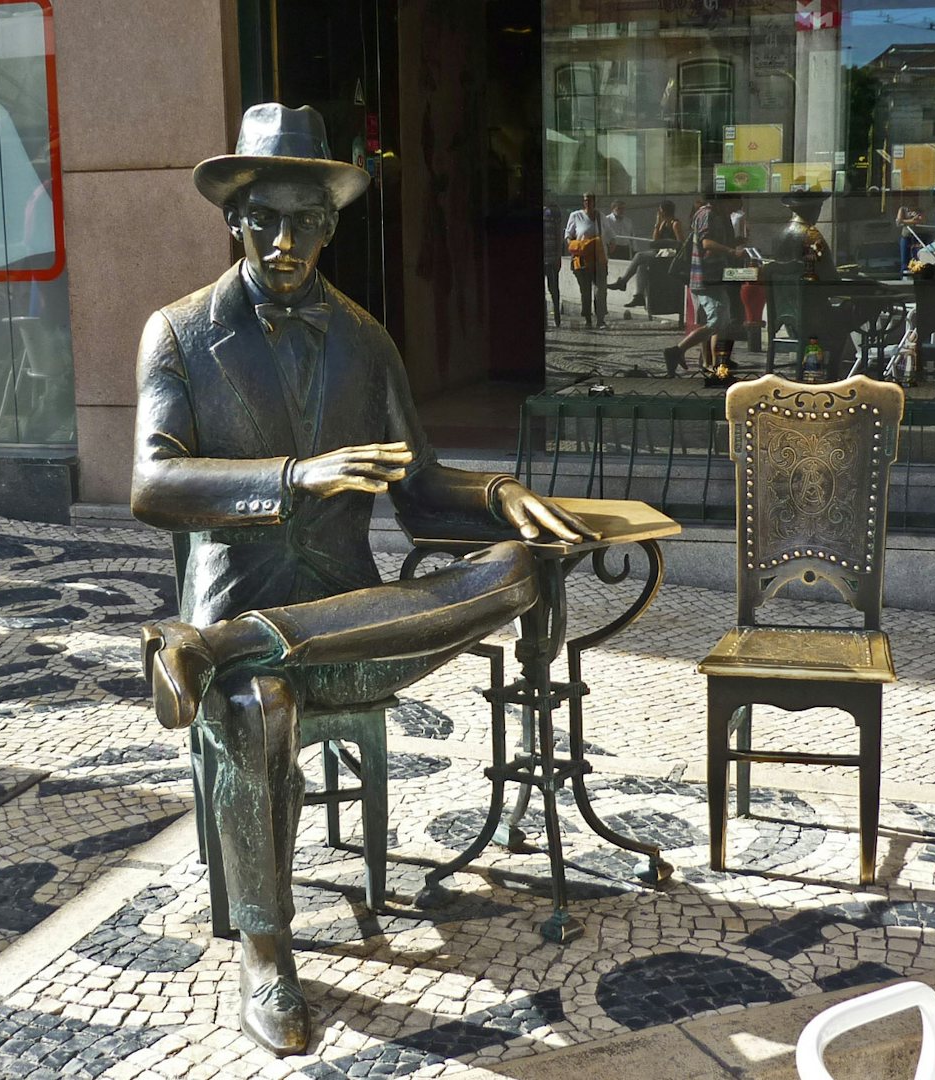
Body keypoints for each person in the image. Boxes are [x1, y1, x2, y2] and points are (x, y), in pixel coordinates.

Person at [131, 103, 590, 1057]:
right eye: (266, 219)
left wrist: (499, 492)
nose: (286, 240)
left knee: (523, 567)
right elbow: (151, 483)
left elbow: (419, 494)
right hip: (248, 608)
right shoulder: (175, 334)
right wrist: (300, 476)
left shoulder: (364, 339)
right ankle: (269, 955)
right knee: (259, 705)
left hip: (355, 622)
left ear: (332, 226)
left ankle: (206, 650)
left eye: (306, 220)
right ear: (235, 219)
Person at [663, 192, 744, 376]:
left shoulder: (717, 215)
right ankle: (677, 351)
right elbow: (706, 243)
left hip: (716, 275)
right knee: (717, 321)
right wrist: (732, 251)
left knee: (721, 321)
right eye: (734, 204)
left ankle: (717, 366)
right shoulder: (707, 214)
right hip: (706, 276)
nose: (735, 209)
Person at [608, 199, 684, 308]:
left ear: (664, 211)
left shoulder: (675, 224)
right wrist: (657, 225)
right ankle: (639, 296)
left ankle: (623, 281)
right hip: (660, 252)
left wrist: (667, 243)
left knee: (639, 255)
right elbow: (655, 241)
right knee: (641, 265)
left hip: (669, 256)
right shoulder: (663, 223)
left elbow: (681, 243)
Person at [564, 191, 614, 328]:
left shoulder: (601, 217)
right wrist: (574, 245)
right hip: (582, 260)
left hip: (599, 260)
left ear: (594, 202)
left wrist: (612, 244)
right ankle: (587, 319)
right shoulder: (575, 216)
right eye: (585, 200)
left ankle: (600, 319)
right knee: (585, 291)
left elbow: (610, 234)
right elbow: (568, 235)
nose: (587, 202)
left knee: (600, 290)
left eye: (590, 200)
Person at [543, 202, 563, 327]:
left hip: (551, 259)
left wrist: (558, 256)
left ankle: (557, 319)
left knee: (554, 290)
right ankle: (544, 321)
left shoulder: (553, 212)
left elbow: (559, 235)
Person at [895, 196, 925, 274]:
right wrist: (911, 220)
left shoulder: (919, 210)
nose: (912, 202)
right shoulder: (903, 209)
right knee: (905, 260)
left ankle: (917, 277)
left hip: (917, 237)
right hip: (906, 236)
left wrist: (906, 221)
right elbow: (899, 221)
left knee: (917, 258)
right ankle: (904, 278)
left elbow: (921, 220)